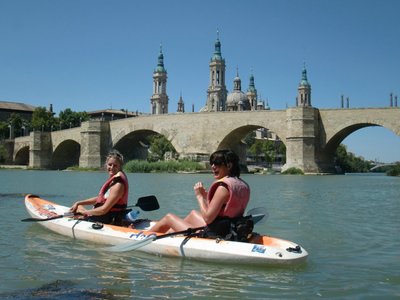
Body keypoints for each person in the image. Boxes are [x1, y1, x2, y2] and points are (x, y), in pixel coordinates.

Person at [150, 149, 251, 237]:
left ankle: (143, 236)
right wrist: (207, 197)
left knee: (169, 218)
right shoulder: (243, 184)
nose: (213, 166)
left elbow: (207, 219)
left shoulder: (223, 187)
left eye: (217, 163)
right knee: (193, 214)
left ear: (229, 166)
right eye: (212, 163)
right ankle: (170, 236)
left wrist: (199, 196)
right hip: (229, 229)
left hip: (216, 234)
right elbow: (226, 210)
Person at [70, 150, 129, 225]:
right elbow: (100, 199)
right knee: (78, 206)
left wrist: (84, 213)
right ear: (106, 165)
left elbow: (103, 210)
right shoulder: (114, 180)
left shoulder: (118, 184)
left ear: (120, 166)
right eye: (110, 165)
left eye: (115, 165)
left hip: (107, 219)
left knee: (78, 210)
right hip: (105, 216)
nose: (112, 167)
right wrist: (78, 202)